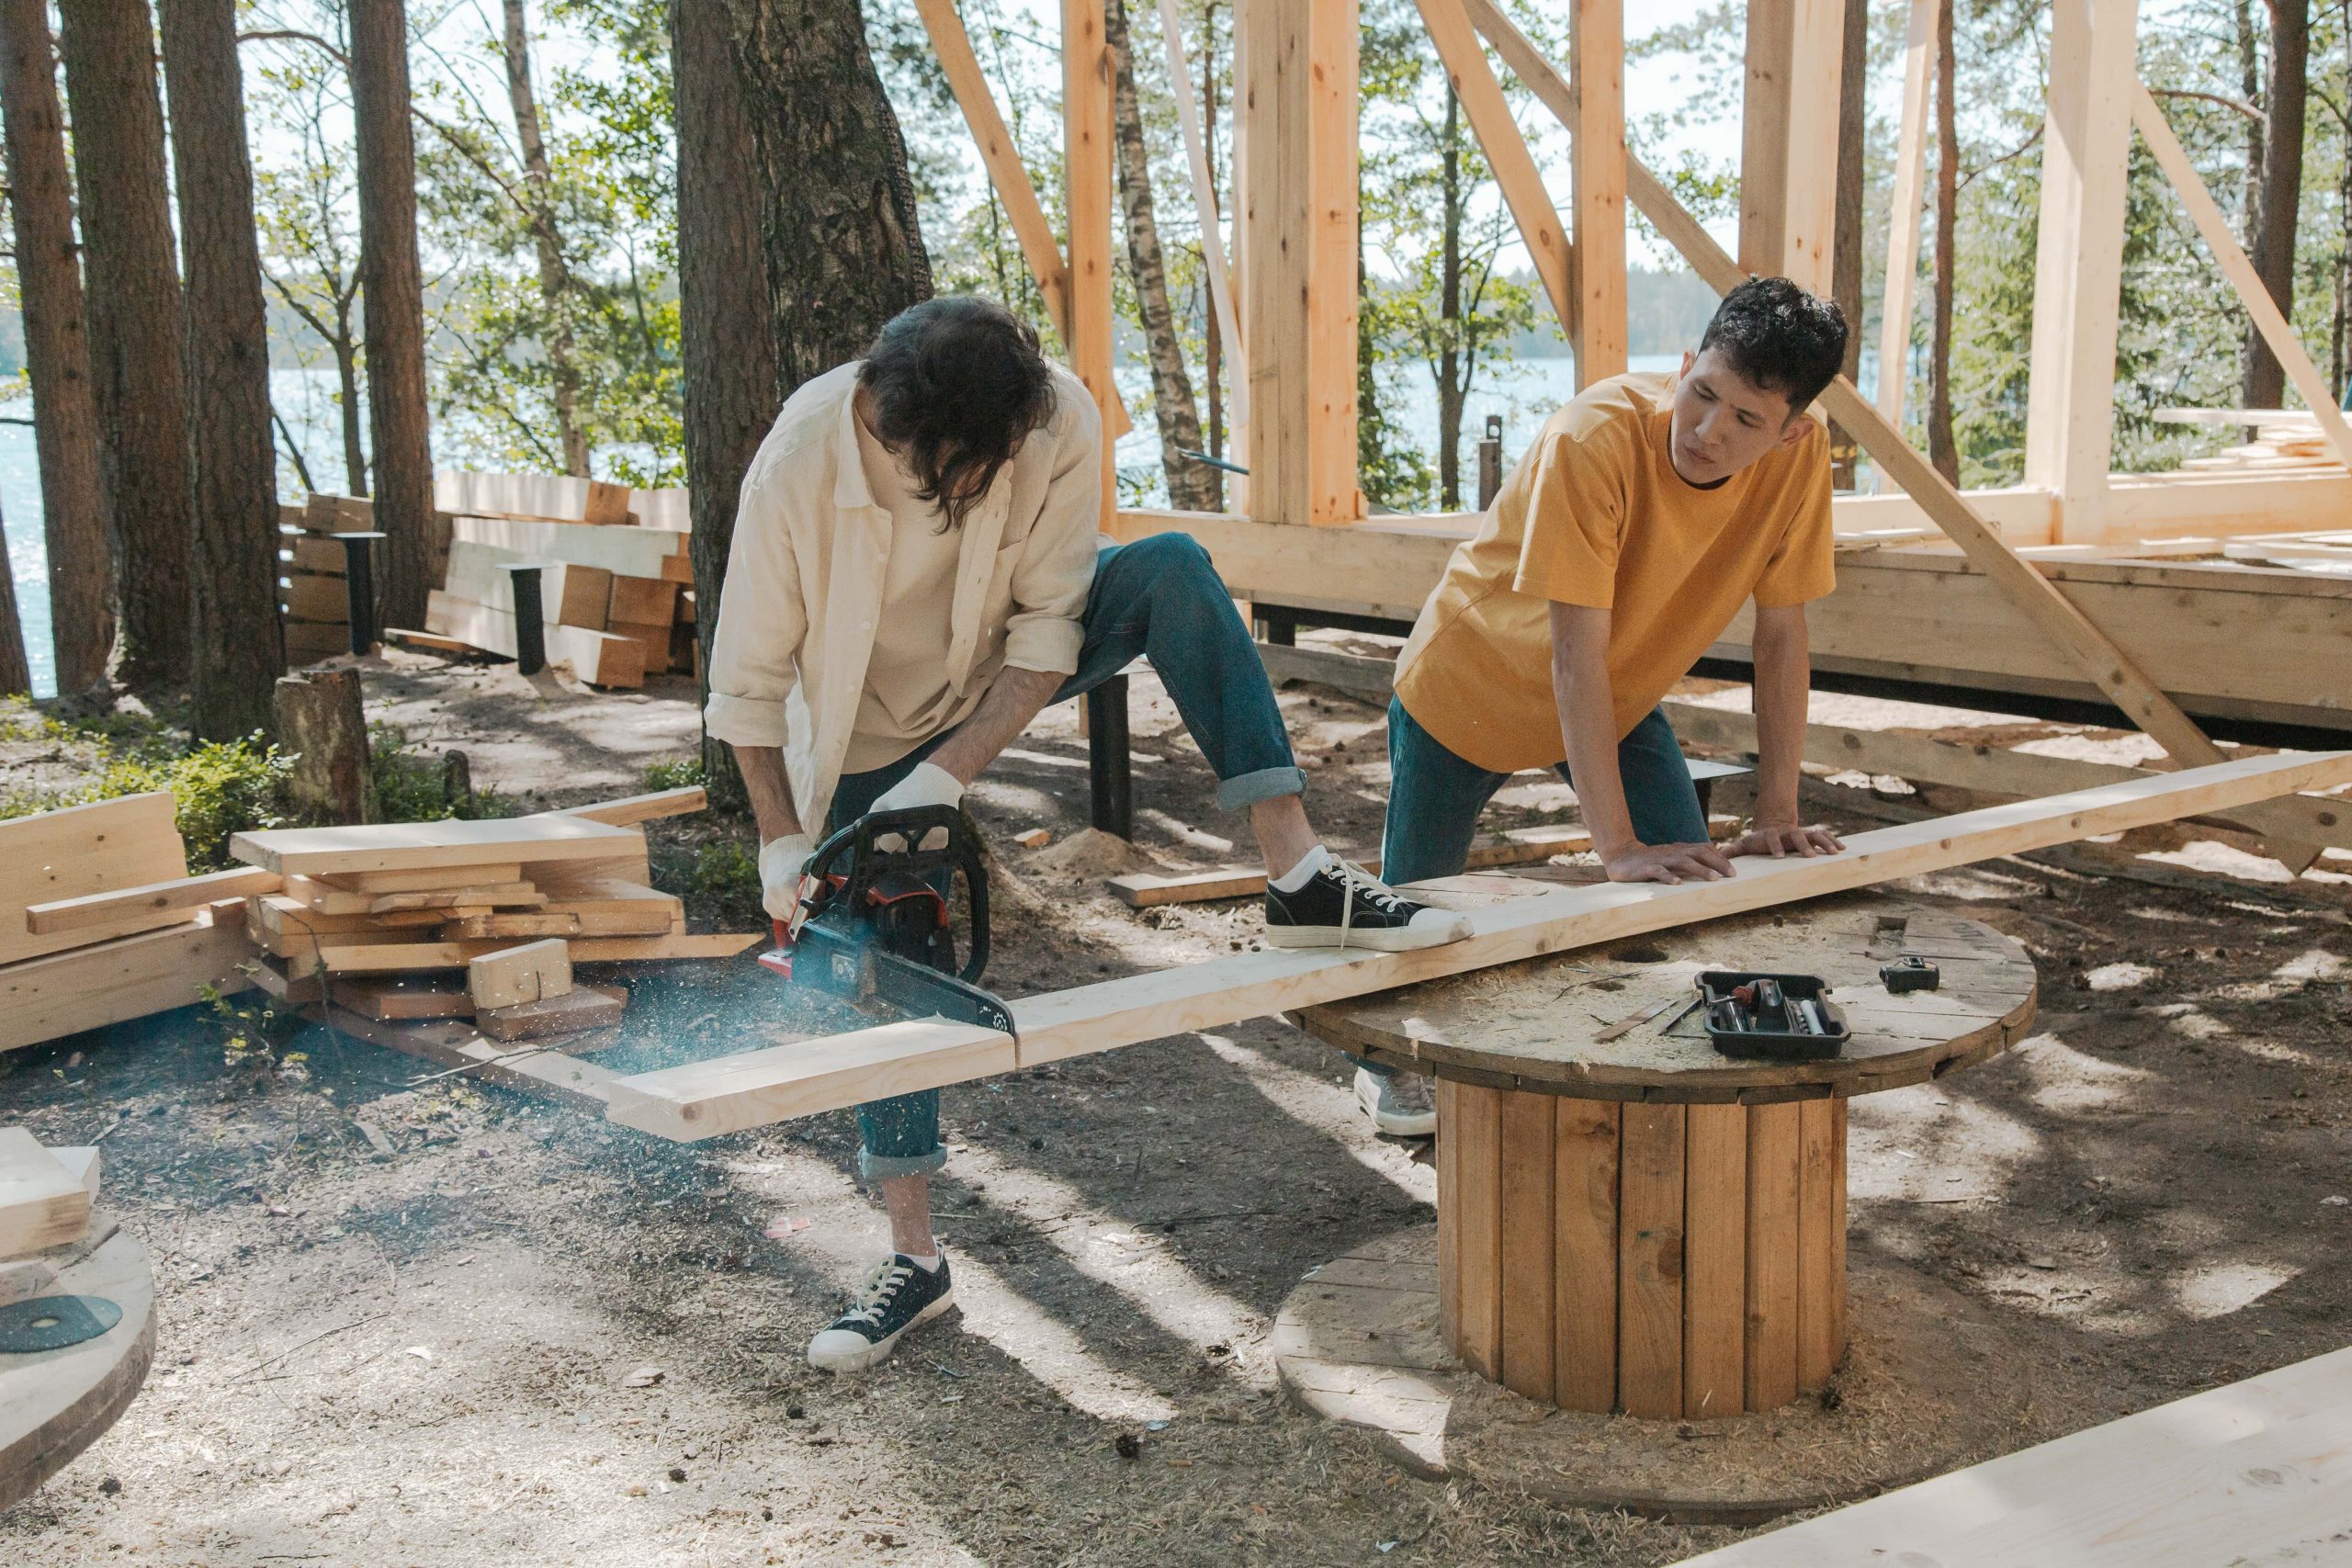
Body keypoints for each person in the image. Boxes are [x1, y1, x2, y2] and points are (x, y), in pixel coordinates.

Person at [704, 294, 1473, 1373]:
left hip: (989, 682)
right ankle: (913, 1262)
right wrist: (782, 839)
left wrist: (946, 778)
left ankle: (1297, 873)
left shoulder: (1055, 418)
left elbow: (1046, 635)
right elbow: (745, 688)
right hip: (857, 732)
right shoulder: (800, 460)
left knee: (1173, 569)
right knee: (888, 963)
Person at [1351, 276, 1854, 1138]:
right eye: (1703, 395)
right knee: (1416, 913)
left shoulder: (1800, 464)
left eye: (1746, 421)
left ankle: (1664, 1060)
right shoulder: (1593, 436)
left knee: (1700, 877)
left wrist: (1777, 808)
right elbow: (1570, 651)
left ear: (1794, 430)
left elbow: (1782, 635)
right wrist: (1613, 846)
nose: (1708, 432)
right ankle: (1382, 1067)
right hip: (1468, 684)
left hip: (1612, 697)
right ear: (1686, 363)